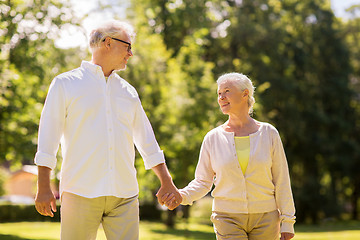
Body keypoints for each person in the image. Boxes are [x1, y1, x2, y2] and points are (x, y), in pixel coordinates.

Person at [34, 20, 182, 240]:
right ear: (108, 42)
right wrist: (43, 186)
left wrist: (166, 180)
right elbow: (48, 137)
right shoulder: (65, 84)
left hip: (125, 194)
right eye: (128, 47)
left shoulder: (128, 92)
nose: (131, 54)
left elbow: (146, 139)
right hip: (79, 191)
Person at [163, 72, 296, 240]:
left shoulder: (269, 134)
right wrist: (182, 195)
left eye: (226, 91)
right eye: (219, 93)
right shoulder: (212, 138)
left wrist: (287, 221)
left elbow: (281, 179)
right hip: (227, 217)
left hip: (266, 218)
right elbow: (203, 181)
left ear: (245, 94)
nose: (221, 97)